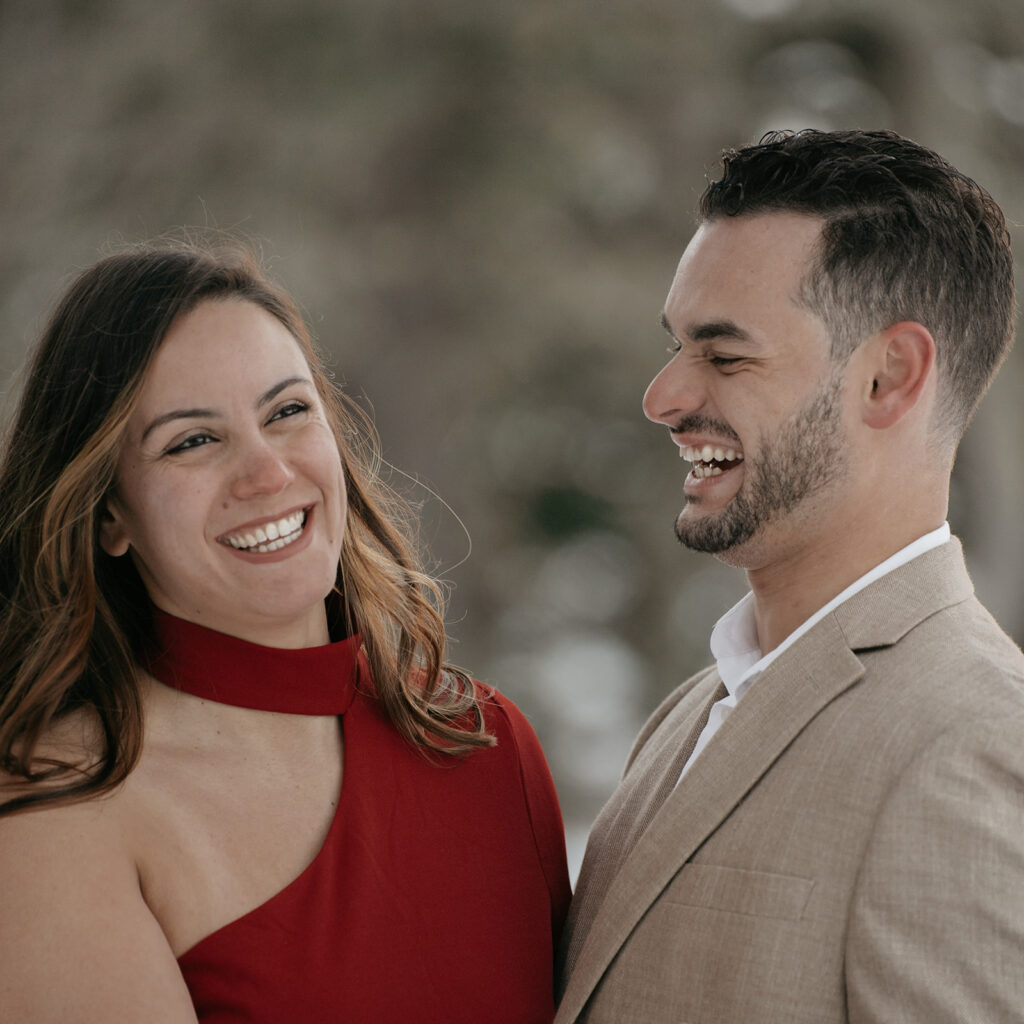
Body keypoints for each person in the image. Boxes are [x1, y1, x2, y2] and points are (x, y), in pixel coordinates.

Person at [0, 239, 571, 1023]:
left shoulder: (488, 744)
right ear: (109, 516)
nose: (267, 473)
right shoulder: (58, 803)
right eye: (193, 441)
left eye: (288, 411)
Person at [556, 129, 1024, 1023]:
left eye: (725, 355)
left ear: (889, 377)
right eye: (677, 346)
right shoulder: (685, 716)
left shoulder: (973, 747)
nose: (663, 398)